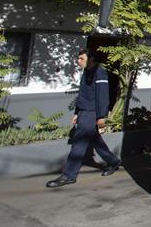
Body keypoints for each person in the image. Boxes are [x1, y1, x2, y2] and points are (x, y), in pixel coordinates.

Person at [46, 49, 121, 187]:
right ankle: (113, 161)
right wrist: (76, 112)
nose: (78, 61)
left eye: (81, 59)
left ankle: (69, 175)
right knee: (95, 140)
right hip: (84, 112)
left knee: (78, 143)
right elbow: (82, 94)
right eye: (78, 58)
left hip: (92, 112)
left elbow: (103, 96)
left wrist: (101, 116)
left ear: (91, 59)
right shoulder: (86, 72)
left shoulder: (100, 72)